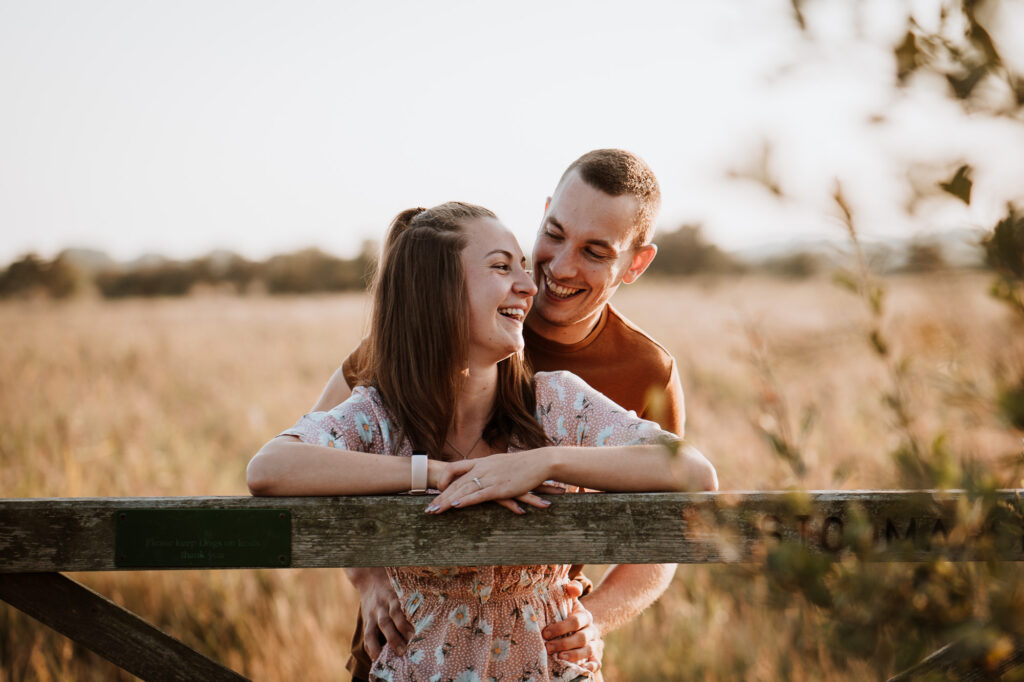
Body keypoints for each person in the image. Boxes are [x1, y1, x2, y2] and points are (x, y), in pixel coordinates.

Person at [247, 201, 717, 681]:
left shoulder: (555, 402)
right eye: (500, 266)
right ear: (437, 293)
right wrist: (428, 473)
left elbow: (696, 473)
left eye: (522, 266)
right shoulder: (380, 414)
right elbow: (269, 468)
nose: (530, 285)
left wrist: (548, 462)